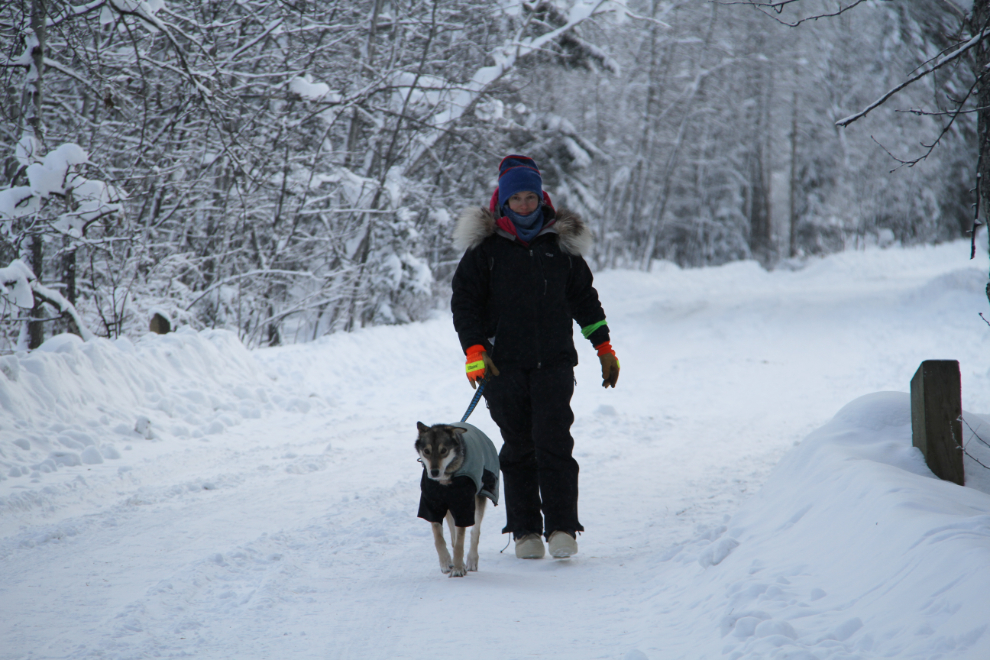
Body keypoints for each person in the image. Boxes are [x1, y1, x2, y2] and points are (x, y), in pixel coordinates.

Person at [450, 155, 619, 560]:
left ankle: (562, 528)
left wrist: (604, 347)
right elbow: (465, 305)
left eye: (531, 197)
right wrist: (475, 351)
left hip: (554, 364)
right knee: (519, 446)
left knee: (555, 443)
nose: (524, 205)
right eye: (517, 199)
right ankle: (525, 531)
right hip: (501, 366)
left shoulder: (560, 247)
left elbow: (585, 301)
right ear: (502, 203)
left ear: (541, 199)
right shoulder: (485, 251)